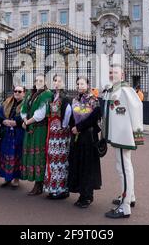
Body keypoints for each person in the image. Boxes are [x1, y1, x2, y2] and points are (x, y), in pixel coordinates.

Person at [102, 64, 144, 219]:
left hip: (123, 136)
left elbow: (137, 109)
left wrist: (137, 135)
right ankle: (129, 196)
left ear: (123, 75)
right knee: (123, 166)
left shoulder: (125, 90)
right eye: (110, 72)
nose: (112, 74)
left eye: (115, 72)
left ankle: (125, 206)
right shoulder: (115, 90)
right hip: (118, 135)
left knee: (123, 168)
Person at [68, 76, 102, 208]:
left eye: (82, 84)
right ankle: (82, 193)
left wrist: (79, 127)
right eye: (78, 84)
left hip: (89, 137)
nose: (80, 86)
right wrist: (73, 127)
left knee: (88, 166)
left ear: (87, 85)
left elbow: (94, 117)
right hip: (78, 137)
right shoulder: (75, 99)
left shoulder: (93, 99)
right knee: (79, 164)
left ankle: (88, 195)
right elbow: (72, 116)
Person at [21, 74, 53, 196]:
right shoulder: (30, 93)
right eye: (36, 80)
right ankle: (35, 180)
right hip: (30, 127)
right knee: (31, 154)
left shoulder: (47, 94)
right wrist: (25, 120)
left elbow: (41, 113)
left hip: (40, 129)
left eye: (41, 81)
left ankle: (39, 184)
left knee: (39, 155)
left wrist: (27, 122)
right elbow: (23, 108)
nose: (38, 82)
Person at [44, 75, 72, 200]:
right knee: (52, 159)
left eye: (59, 81)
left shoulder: (65, 97)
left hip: (61, 133)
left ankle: (61, 189)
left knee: (60, 161)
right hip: (52, 132)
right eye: (55, 81)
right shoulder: (52, 96)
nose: (56, 83)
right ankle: (53, 188)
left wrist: (63, 126)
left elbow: (68, 112)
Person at [0, 85, 25, 189]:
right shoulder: (7, 102)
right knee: (5, 154)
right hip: (6, 133)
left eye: (19, 91)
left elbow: (28, 117)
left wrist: (15, 123)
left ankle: (16, 179)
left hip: (18, 134)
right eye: (15, 91)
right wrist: (3, 121)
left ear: (24, 93)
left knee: (17, 155)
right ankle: (7, 178)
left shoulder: (26, 104)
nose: (17, 93)